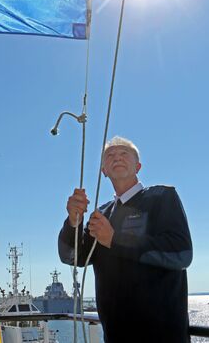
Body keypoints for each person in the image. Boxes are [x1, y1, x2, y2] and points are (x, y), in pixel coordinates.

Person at [58, 136, 193, 343]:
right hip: (116, 335)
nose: (117, 157)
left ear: (137, 166)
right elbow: (73, 257)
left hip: (163, 335)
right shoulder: (100, 215)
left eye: (124, 153)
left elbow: (180, 254)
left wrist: (114, 239)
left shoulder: (162, 198)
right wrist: (73, 222)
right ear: (104, 170)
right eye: (110, 155)